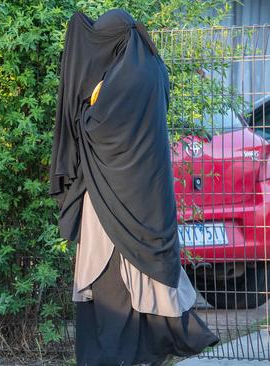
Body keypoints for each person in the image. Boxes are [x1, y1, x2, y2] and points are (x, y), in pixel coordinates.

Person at [49, 10, 219, 366]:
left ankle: (114, 356)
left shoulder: (121, 79)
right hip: (150, 196)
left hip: (115, 199)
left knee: (111, 283)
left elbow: (98, 130)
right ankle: (148, 352)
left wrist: (80, 110)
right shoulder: (153, 67)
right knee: (143, 281)